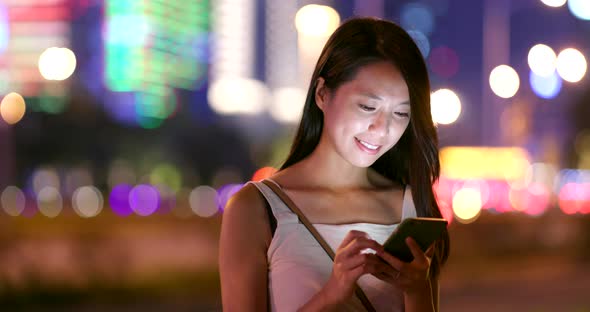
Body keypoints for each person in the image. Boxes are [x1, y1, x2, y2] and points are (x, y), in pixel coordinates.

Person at [219, 16, 450, 312]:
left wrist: (418, 290)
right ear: (322, 94)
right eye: (368, 107)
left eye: (401, 114)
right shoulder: (256, 208)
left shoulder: (410, 206)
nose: (381, 129)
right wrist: (332, 294)